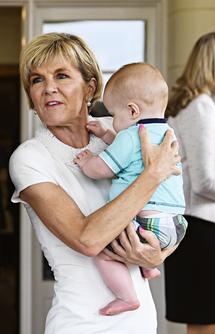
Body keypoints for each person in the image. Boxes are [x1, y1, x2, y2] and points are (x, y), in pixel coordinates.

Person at [9, 32, 180, 333]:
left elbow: (162, 208)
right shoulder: (30, 158)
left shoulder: (116, 135)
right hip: (82, 323)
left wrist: (159, 252)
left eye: (61, 76)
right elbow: (87, 239)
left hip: (140, 323)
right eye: (37, 80)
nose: (49, 88)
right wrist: (152, 175)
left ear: (90, 87)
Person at [74, 63, 187, 315]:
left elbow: (102, 169)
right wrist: (106, 134)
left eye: (114, 115)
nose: (113, 121)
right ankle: (148, 267)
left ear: (133, 110)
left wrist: (86, 163)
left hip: (146, 226)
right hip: (174, 225)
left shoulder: (130, 136)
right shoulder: (167, 132)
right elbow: (132, 157)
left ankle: (127, 297)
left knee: (103, 253)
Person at [166, 32, 215, 334]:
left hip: (199, 231)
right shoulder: (200, 107)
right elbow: (205, 181)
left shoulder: (197, 105)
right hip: (203, 233)